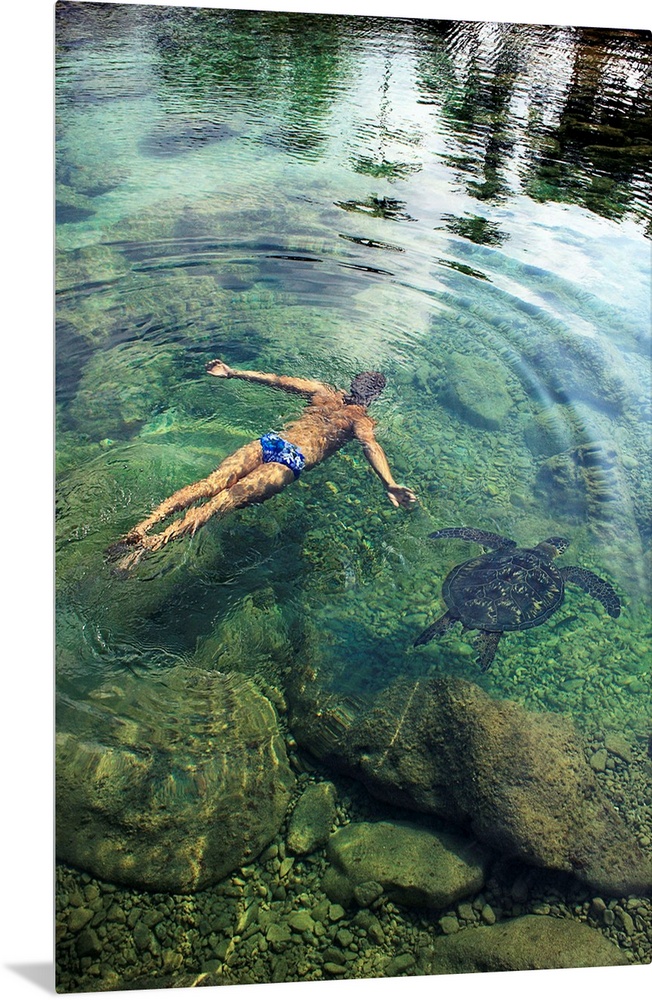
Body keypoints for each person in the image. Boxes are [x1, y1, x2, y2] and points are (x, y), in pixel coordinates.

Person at [107, 358, 417, 571]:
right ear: (374, 397)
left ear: (352, 384)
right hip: (291, 461)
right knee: (219, 503)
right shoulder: (362, 420)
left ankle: (142, 527)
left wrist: (233, 372)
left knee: (208, 484)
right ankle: (151, 546)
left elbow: (276, 381)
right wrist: (389, 483)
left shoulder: (322, 391)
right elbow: (371, 446)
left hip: (270, 442)